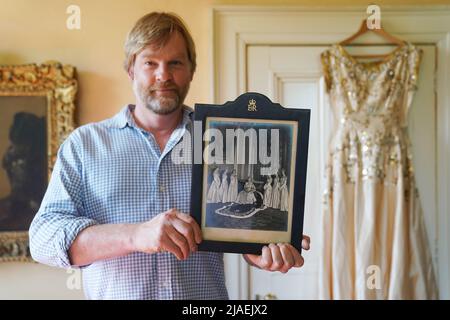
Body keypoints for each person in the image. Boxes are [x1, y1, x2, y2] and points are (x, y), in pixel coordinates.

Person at [29, 12, 310, 300]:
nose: (163, 75)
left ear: (191, 70)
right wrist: (136, 235)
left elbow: (240, 220)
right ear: (131, 70)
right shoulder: (84, 146)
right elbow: (43, 241)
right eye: (150, 62)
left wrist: (259, 251)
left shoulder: (225, 141)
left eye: (175, 62)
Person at [0, 112, 46, 232]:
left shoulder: (47, 210)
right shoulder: (4, 208)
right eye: (11, 161)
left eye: (19, 160)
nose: (11, 167)